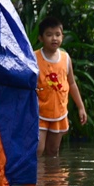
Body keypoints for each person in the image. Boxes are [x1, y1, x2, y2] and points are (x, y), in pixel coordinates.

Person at [35, 15, 87, 159]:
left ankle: (54, 180)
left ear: (62, 37)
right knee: (38, 150)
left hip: (59, 112)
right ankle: (37, 180)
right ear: (40, 38)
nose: (54, 38)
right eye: (49, 35)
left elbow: (71, 83)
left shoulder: (65, 58)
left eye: (58, 35)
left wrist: (81, 107)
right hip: (39, 112)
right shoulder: (34, 58)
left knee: (53, 151)